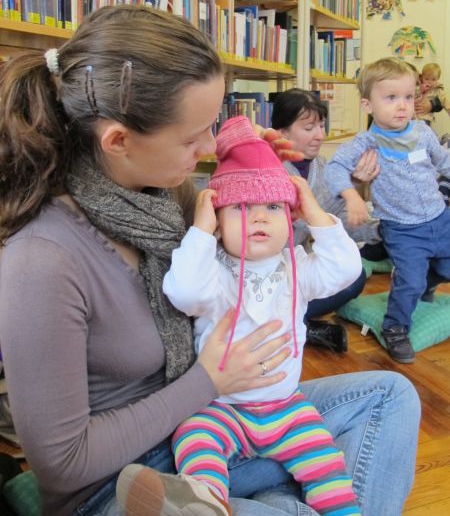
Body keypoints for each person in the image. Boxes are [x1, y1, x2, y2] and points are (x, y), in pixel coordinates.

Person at [0, 5, 420, 516]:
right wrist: (208, 381)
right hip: (121, 479)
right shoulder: (41, 262)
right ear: (118, 140)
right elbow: (64, 464)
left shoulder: (162, 197)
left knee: (391, 395)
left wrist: (246, 161)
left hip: (215, 421)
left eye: (213, 128)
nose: (207, 146)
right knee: (298, 505)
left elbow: (246, 234)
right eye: (192, 136)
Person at [117, 116, 363, 516]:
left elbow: (347, 269)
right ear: (219, 221)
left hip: (286, 407)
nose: (260, 217)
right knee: (195, 443)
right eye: (242, 208)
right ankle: (205, 505)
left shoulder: (298, 267)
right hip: (219, 407)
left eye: (273, 207)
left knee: (326, 463)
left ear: (291, 216)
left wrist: (316, 212)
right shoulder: (212, 271)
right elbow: (184, 292)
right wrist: (200, 231)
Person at [324, 57, 450, 364]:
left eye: (408, 96)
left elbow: (443, 161)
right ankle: (395, 327)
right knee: (409, 282)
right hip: (403, 229)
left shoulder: (422, 132)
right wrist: (352, 195)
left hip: (440, 217)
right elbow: (334, 167)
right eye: (391, 98)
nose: (402, 106)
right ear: (368, 105)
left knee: (445, 269)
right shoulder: (367, 142)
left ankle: (429, 280)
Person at [271, 89, 386, 352]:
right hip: (266, 277)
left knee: (355, 277)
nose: (319, 135)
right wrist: (345, 189)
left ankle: (294, 325)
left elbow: (341, 222)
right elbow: (298, 224)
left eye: (321, 126)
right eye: (309, 128)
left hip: (298, 273)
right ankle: (297, 326)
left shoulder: (322, 168)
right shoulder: (269, 171)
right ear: (282, 133)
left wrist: (383, 231)